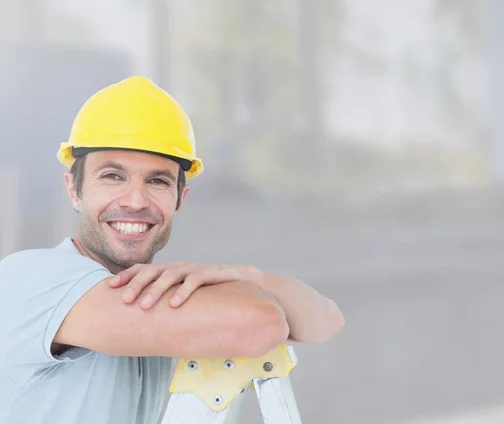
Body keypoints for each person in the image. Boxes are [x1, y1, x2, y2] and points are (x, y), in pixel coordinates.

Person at [0, 76, 344, 424]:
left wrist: (241, 275)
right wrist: (243, 289)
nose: (135, 201)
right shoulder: (31, 279)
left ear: (180, 199)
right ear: (74, 190)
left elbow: (325, 319)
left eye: (157, 181)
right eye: (112, 177)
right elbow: (263, 324)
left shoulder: (161, 293)